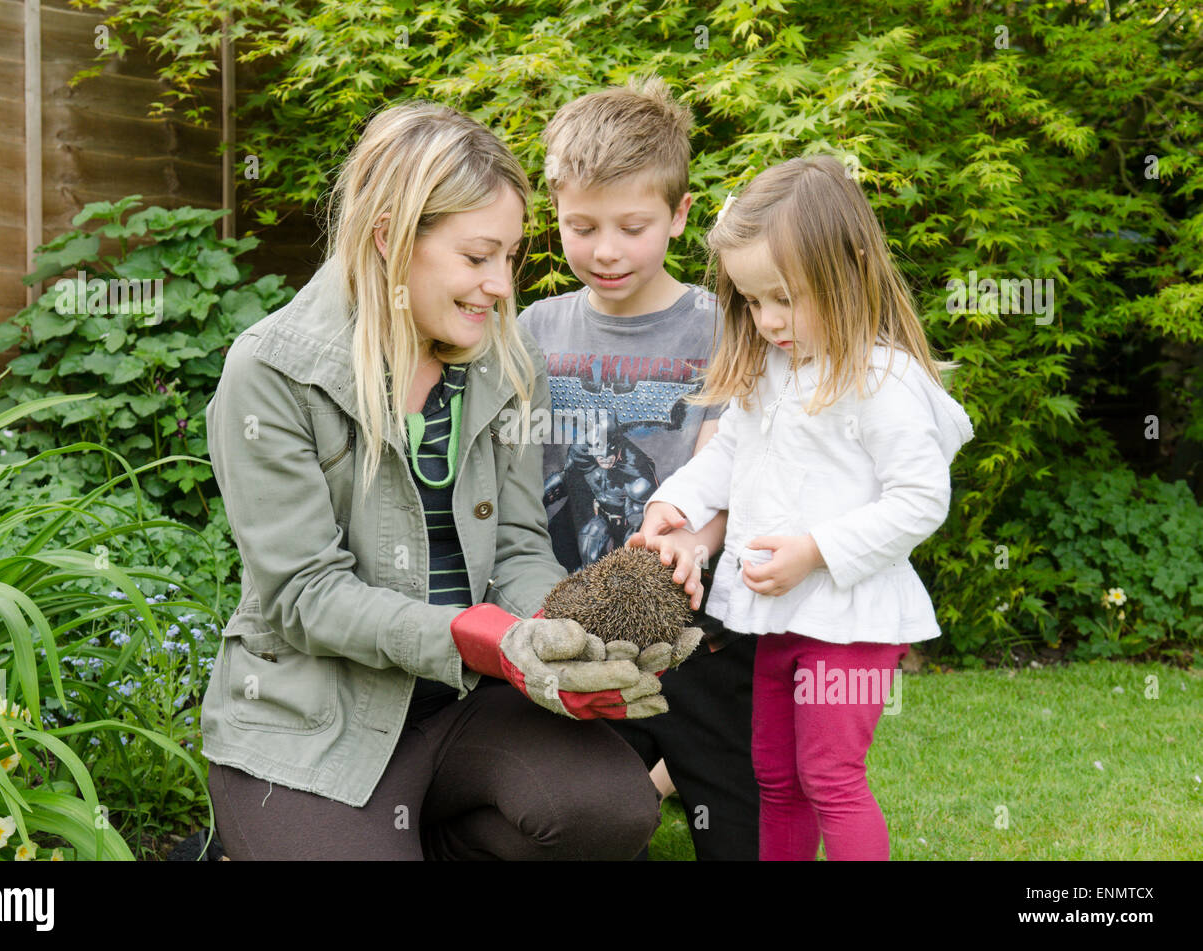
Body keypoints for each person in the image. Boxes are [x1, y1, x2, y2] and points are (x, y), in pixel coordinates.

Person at [198, 102, 688, 860]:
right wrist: (474, 636)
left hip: (463, 707)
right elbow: (303, 597)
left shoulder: (507, 363)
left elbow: (522, 546)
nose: (498, 284)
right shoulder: (271, 373)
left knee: (611, 808)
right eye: (476, 256)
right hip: (314, 720)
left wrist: (568, 637)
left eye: (510, 257)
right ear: (393, 238)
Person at [634, 155, 974, 860]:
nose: (767, 320)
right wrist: (676, 503)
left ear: (846, 271)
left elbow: (919, 499)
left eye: (785, 299)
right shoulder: (773, 370)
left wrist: (815, 550)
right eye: (754, 301)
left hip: (847, 621)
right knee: (776, 777)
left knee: (831, 777)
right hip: (777, 611)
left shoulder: (882, 381)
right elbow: (730, 457)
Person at [518, 78, 760, 860]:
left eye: (632, 225)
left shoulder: (718, 329)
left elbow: (733, 463)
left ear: (681, 214)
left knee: (721, 773)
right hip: (569, 609)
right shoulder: (533, 328)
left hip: (692, 608)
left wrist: (698, 540)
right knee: (582, 797)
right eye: (580, 227)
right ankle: (643, 780)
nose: (606, 250)